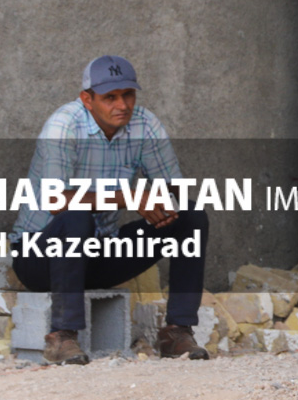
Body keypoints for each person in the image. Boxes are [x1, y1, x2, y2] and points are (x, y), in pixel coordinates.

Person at [11, 55, 210, 365]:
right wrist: (130, 198)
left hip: (99, 253)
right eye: (110, 97)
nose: (122, 105)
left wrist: (163, 203)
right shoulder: (64, 125)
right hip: (41, 257)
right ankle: (62, 337)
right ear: (87, 100)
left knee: (191, 216)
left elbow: (176, 189)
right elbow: (55, 200)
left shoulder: (144, 123)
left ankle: (177, 332)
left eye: (128, 94)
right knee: (76, 217)